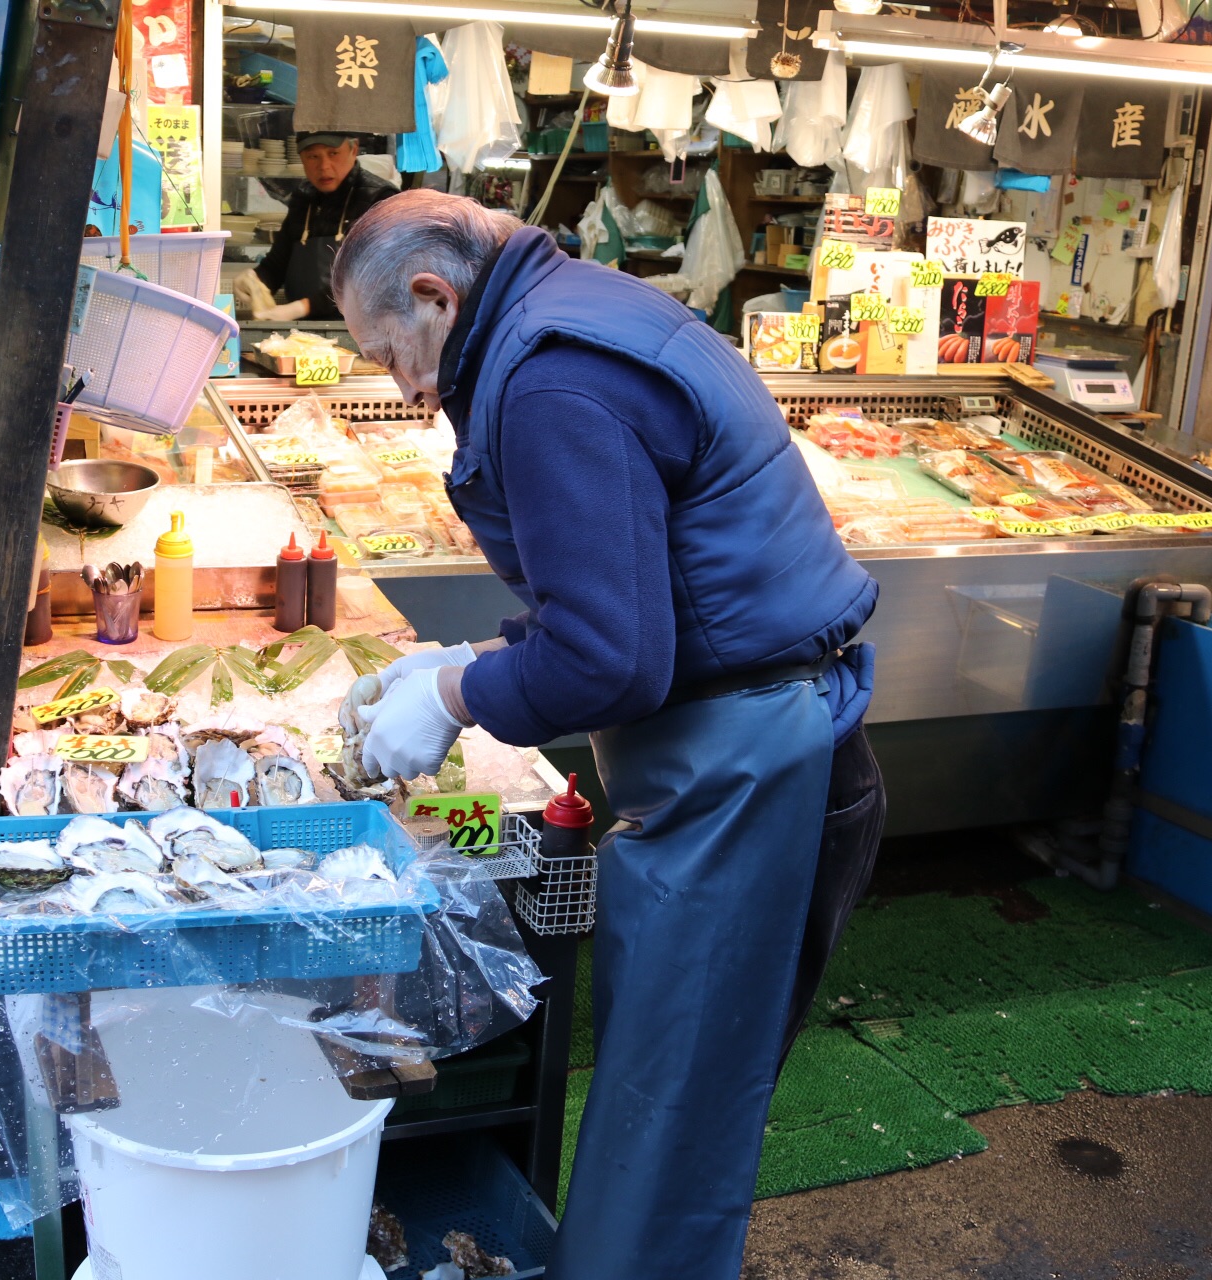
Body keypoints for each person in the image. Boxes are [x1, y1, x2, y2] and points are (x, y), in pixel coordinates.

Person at [331, 189, 887, 1279]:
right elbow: (633, 577)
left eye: (387, 350)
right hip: (742, 747)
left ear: (438, 296)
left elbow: (612, 657)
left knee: (669, 1118)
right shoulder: (570, 307)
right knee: (664, 1090)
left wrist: (458, 701)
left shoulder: (546, 378)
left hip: (751, 770)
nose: (396, 383)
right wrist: (464, 660)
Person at [233, 132, 396, 324]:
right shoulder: (304, 199)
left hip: (361, 333)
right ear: (301, 158)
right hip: (302, 334)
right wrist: (255, 281)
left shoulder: (381, 199)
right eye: (313, 156)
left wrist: (302, 308)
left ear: (353, 149)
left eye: (333, 154)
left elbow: (373, 280)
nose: (324, 166)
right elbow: (276, 266)